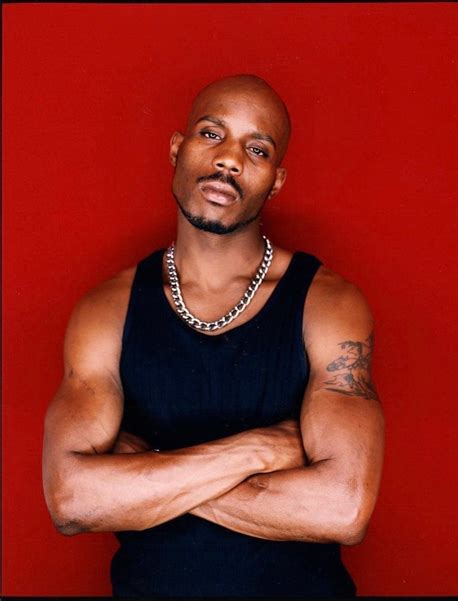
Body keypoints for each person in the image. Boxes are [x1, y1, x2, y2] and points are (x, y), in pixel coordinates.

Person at [42, 73, 385, 597]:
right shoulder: (106, 310)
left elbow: (343, 509)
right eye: (211, 134)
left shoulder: (328, 303)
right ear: (176, 149)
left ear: (276, 180)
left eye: (257, 149)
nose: (229, 159)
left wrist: (140, 477)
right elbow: (72, 501)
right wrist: (257, 451)